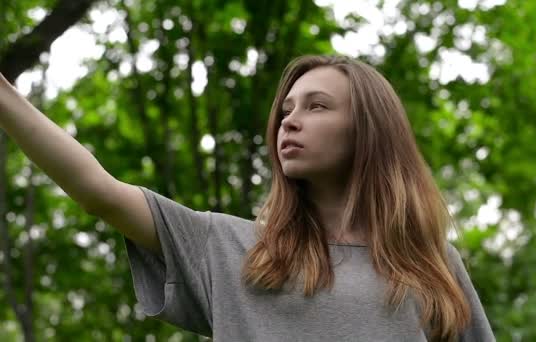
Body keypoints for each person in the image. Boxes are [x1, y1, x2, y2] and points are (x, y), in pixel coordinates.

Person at [0, 54, 494, 341]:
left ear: (369, 131)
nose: (290, 121)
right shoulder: (227, 246)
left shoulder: (432, 264)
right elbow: (97, 191)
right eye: (286, 111)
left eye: (317, 106)